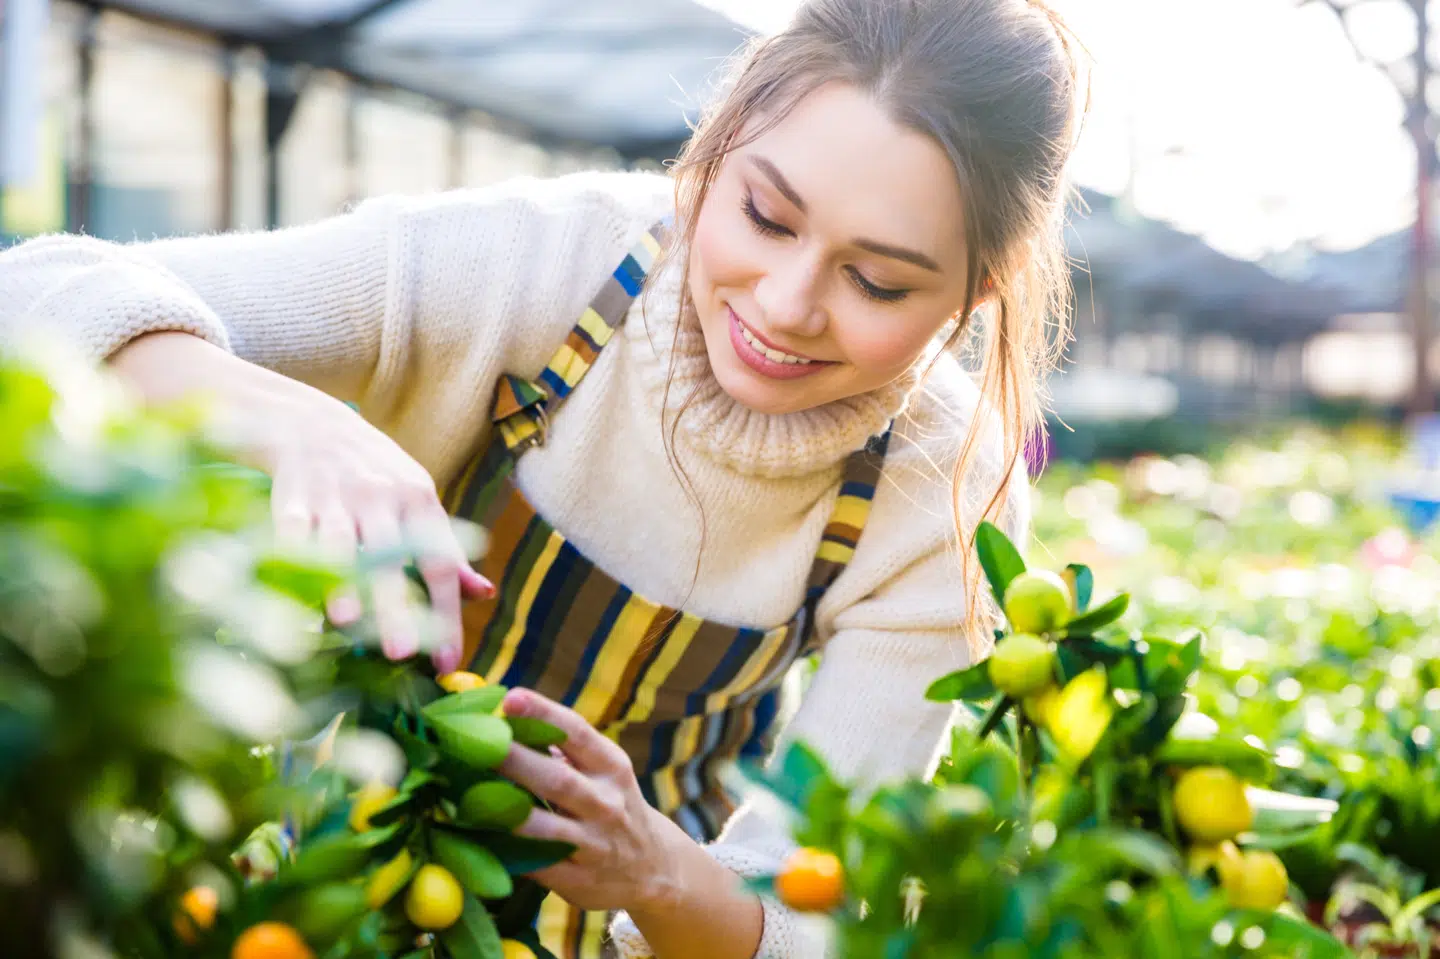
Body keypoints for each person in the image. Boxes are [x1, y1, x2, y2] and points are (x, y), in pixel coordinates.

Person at [0, 0, 1083, 954]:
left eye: (877, 279)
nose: (789, 302)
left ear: (975, 293)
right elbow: (36, 291)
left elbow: (822, 915)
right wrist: (294, 421)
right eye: (764, 214)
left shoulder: (947, 495)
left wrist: (652, 867)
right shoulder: (545, 262)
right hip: (299, 891)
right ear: (714, 150)